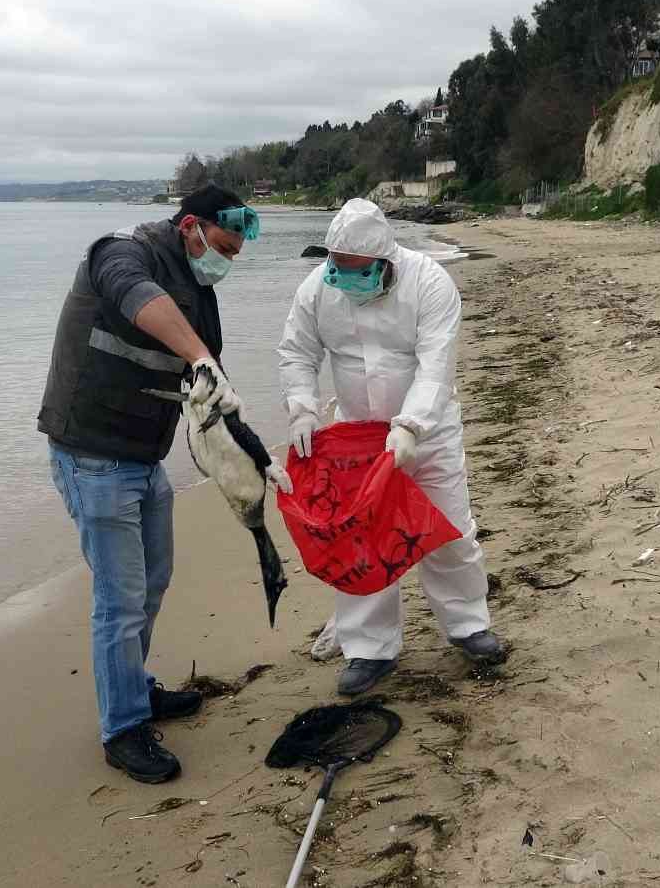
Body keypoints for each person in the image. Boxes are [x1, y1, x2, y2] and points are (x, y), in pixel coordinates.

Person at [37, 184, 261, 783]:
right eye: (222, 245)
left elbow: (212, 379)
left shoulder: (200, 289)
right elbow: (141, 304)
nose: (227, 260)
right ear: (191, 226)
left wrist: (252, 455)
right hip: (91, 456)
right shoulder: (119, 253)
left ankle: (134, 689)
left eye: (236, 253)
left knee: (152, 582)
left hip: (143, 459)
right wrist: (199, 358)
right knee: (121, 598)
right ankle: (123, 730)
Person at [277, 198, 505, 696]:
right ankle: (369, 648)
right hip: (355, 437)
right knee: (361, 538)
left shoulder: (428, 283)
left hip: (428, 432)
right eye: (338, 267)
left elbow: (436, 364)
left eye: (357, 270)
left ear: (386, 262)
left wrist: (410, 426)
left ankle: (468, 626)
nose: (345, 278)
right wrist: (302, 407)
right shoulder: (319, 289)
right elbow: (298, 351)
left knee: (449, 528)